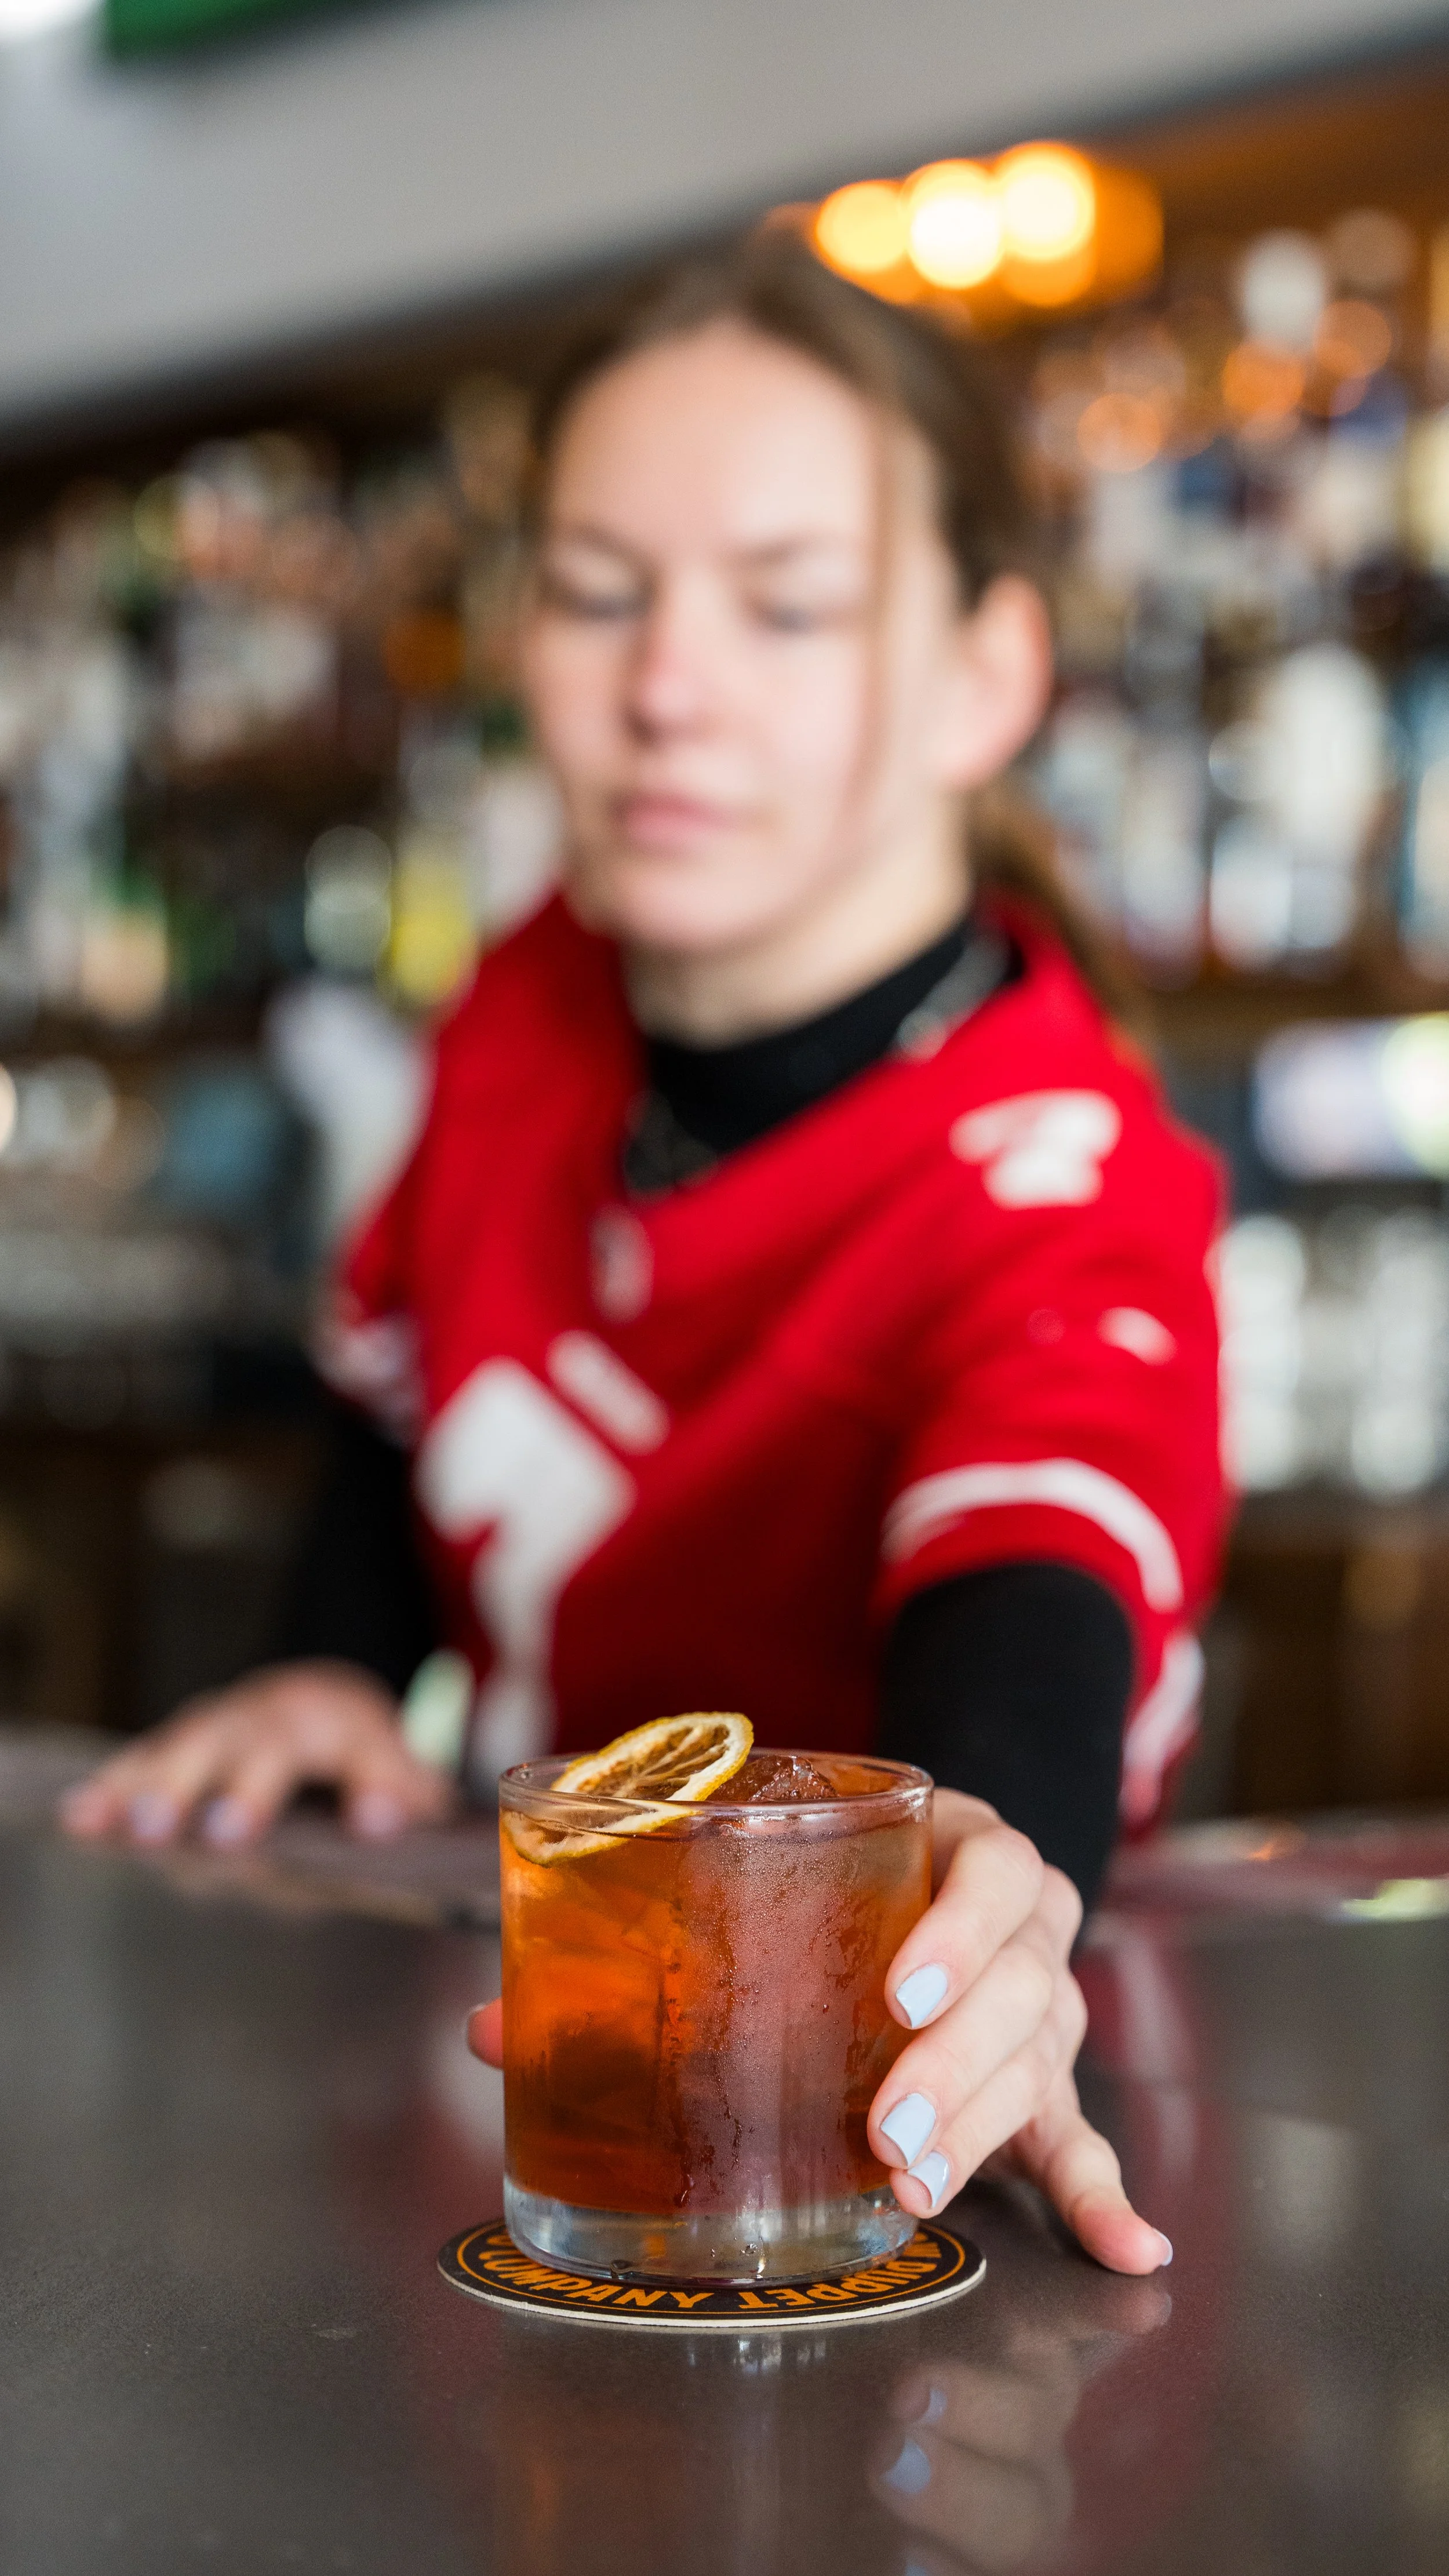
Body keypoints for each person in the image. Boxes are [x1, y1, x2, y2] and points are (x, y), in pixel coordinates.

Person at [62, 235, 1224, 2275]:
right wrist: (330, 1664)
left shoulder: (1060, 1165)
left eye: (786, 607)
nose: (662, 687)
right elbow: (409, 1401)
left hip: (866, 2162)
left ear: (985, 677)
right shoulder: (533, 994)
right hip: (516, 2118)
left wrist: (985, 1873)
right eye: (598, 593)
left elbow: (1036, 1560)